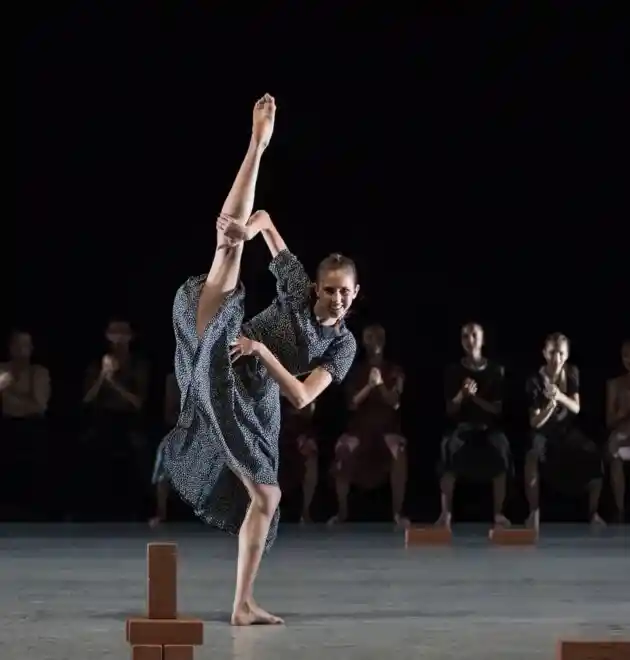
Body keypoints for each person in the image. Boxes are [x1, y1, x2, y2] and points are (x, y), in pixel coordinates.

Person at [160, 94, 358, 626]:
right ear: (317, 287)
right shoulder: (297, 289)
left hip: (256, 398)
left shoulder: (343, 345)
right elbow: (265, 218)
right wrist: (250, 231)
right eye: (330, 290)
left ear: (355, 294)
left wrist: (264, 351)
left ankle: (242, 604)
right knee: (228, 247)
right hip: (224, 357)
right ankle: (257, 143)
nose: (336, 299)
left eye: (345, 292)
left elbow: (302, 396)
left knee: (267, 498)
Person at [327, 323, 409, 528]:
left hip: (386, 429)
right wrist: (370, 386)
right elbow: (352, 404)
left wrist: (380, 385)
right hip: (360, 429)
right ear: (364, 342)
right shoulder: (356, 371)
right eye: (370, 337)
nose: (375, 341)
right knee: (343, 449)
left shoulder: (395, 370)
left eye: (379, 336)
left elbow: (395, 402)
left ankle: (398, 513)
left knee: (399, 452)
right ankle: (342, 512)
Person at [524, 332, 605, 529]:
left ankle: (593, 513)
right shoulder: (535, 380)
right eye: (552, 352)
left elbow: (576, 408)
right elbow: (534, 422)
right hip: (543, 433)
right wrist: (550, 407)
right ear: (545, 353)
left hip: (566, 431)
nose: (556, 358)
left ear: (566, 355)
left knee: (594, 454)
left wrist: (559, 396)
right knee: (532, 456)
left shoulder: (571, 372)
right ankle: (533, 512)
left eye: (561, 353)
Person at [436, 322, 511, 530]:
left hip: (488, 428)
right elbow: (450, 409)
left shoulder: (496, 370)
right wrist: (462, 395)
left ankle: (499, 514)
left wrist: (475, 398)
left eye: (474, 335)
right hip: (462, 427)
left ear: (482, 340)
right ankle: (445, 513)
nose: (470, 340)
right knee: (447, 449)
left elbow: (497, 409)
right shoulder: (453, 370)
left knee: (502, 449)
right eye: (466, 336)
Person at [81, 318, 149, 519]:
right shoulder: (97, 364)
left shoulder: (138, 365)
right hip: (103, 419)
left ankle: (138, 509)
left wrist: (113, 383)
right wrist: (103, 376)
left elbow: (138, 402)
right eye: (114, 333)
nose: (118, 338)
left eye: (123, 333)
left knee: (138, 451)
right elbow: (87, 399)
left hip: (130, 420)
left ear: (131, 337)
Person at [0, 329, 51, 518]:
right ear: (10, 347)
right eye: (18, 345)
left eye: (26, 345)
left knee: (31, 473)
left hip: (31, 428)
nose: (22, 349)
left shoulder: (38, 372)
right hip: (6, 427)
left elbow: (39, 405)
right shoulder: (2, 369)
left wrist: (8, 395)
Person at [277, 397, 319, 523]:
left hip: (296, 433)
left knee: (310, 456)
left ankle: (306, 510)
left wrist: (305, 438)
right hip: (275, 433)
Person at [149, 372, 179, 528]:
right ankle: (162, 512)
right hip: (184, 428)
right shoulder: (173, 378)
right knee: (164, 449)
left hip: (215, 429)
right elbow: (169, 415)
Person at [606, 339, 630, 523]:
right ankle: (619, 510)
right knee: (614, 451)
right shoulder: (615, 384)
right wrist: (622, 412)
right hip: (623, 436)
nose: (629, 359)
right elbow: (609, 421)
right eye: (625, 355)